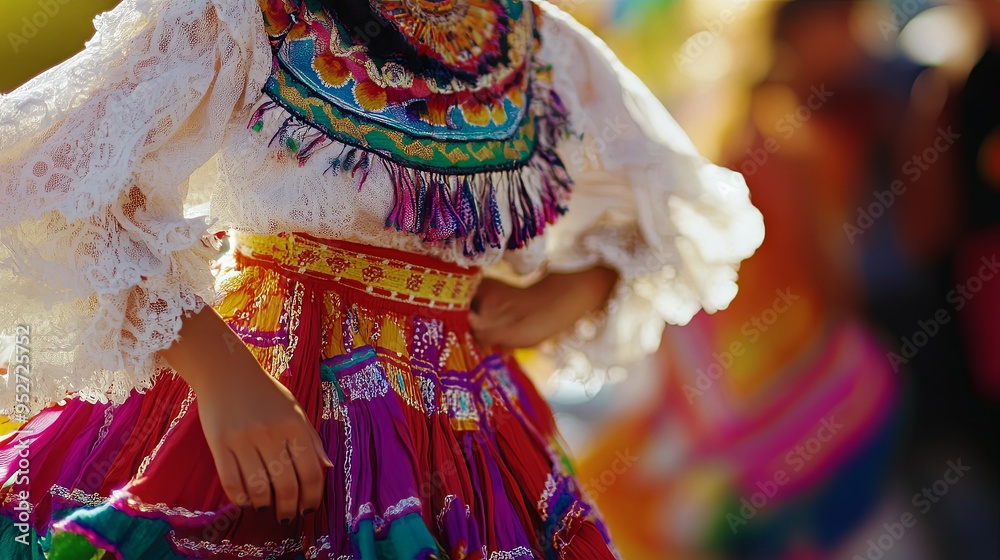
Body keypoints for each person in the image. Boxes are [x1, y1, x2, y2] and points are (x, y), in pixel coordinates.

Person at [0, 0, 763, 557]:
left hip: (469, 438)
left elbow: (672, 212)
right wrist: (218, 369)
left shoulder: (541, 46)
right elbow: (53, 179)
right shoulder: (246, 13)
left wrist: (576, 286)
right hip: (260, 397)